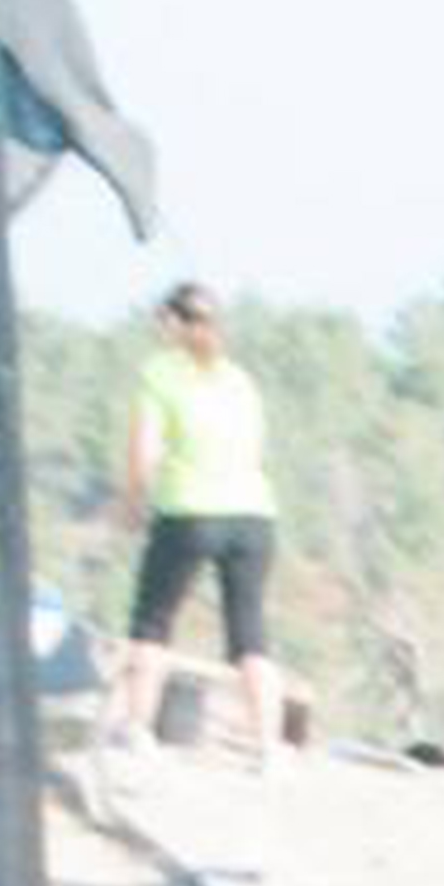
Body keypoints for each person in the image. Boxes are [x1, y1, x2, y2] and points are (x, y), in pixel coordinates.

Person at [96, 289, 294, 764]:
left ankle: (138, 729)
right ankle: (269, 744)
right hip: (253, 513)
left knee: (153, 621)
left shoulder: (161, 373)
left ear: (172, 324)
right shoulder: (238, 379)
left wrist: (132, 502)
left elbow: (144, 450)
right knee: (249, 632)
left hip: (189, 508)